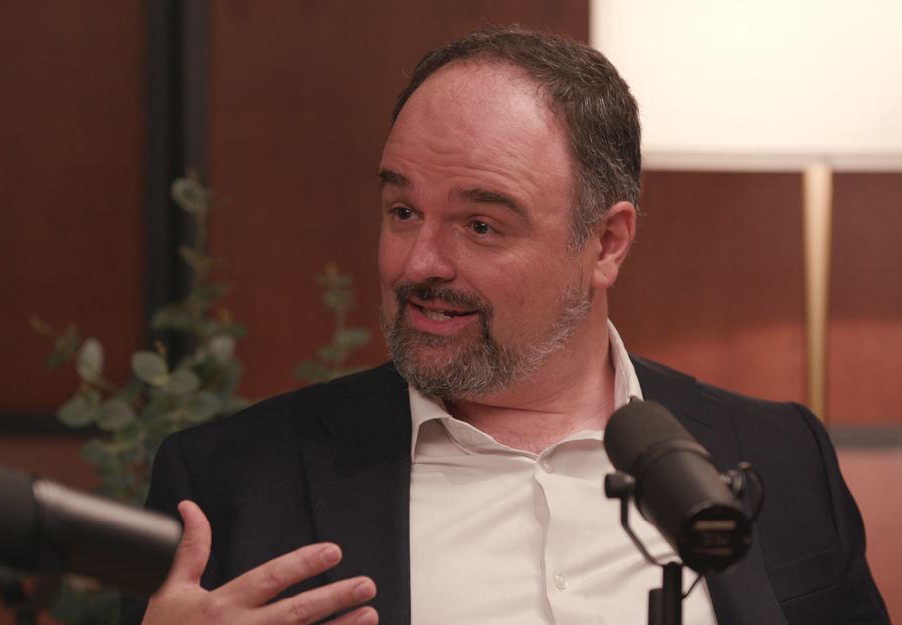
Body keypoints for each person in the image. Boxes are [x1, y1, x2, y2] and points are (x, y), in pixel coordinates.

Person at [121, 27, 889, 625]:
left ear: (605, 242)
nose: (418, 261)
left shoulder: (780, 458)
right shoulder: (230, 481)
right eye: (401, 211)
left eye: (480, 225)